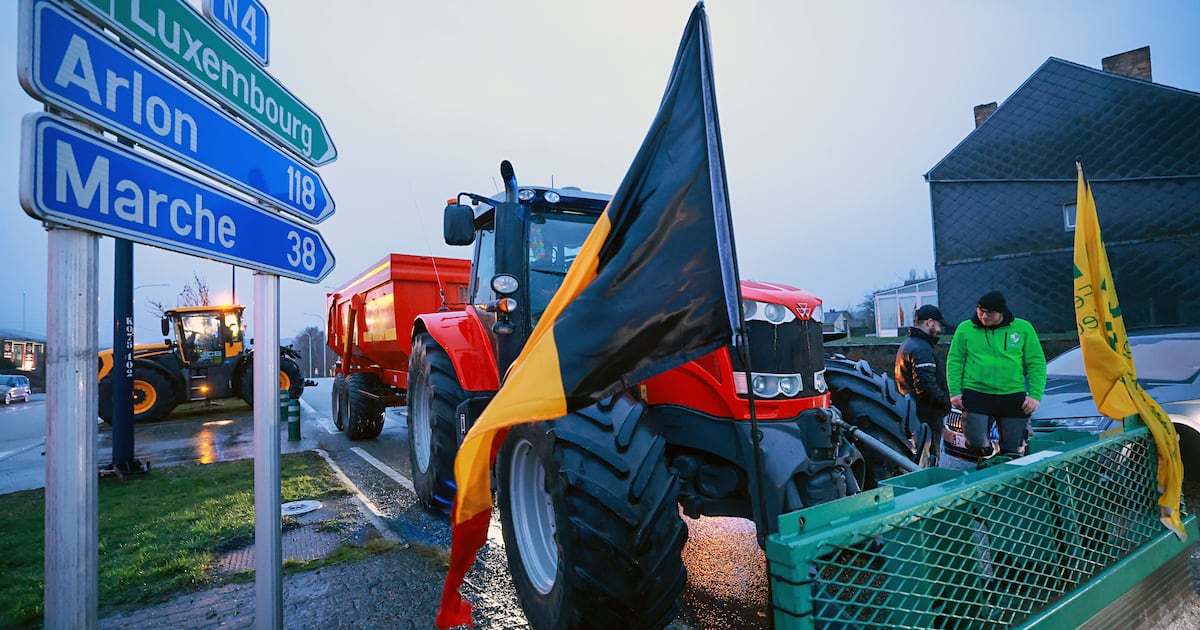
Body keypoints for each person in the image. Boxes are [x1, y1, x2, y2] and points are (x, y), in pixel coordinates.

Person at [946, 290, 1047, 462]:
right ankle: (989, 457)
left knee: (1014, 449)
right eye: (980, 311)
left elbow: (1036, 363)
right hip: (977, 393)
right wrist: (955, 392)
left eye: (989, 313)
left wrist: (1035, 395)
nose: (984, 316)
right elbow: (954, 361)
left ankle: (1008, 472)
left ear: (1001, 312)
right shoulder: (965, 329)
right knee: (976, 443)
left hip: (1012, 394)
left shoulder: (1023, 328)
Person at [895, 304, 951, 466]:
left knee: (916, 455)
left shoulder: (907, 345)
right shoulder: (922, 349)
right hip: (927, 413)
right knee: (929, 457)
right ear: (929, 322)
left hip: (911, 411)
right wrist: (945, 403)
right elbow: (925, 386)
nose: (939, 330)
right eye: (938, 325)